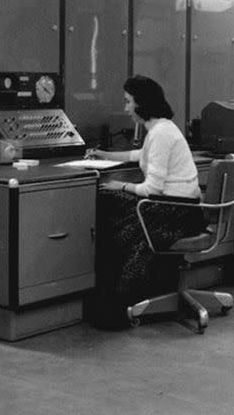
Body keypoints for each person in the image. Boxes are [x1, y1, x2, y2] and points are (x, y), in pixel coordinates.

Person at [85, 75, 205, 328]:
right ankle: (125, 297)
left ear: (142, 104)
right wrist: (105, 154)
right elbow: (141, 154)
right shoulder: (162, 128)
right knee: (113, 208)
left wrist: (122, 185)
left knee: (110, 211)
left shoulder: (160, 133)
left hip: (173, 213)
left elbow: (152, 188)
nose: (126, 107)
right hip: (180, 209)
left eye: (129, 101)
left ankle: (115, 304)